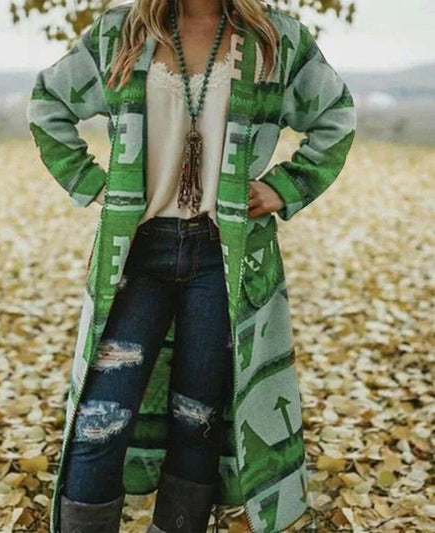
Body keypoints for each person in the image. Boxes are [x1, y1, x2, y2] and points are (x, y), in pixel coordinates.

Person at [26, 0, 356, 531]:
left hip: (223, 258)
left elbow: (336, 116)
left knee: (197, 420)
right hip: (136, 257)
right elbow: (48, 103)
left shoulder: (277, 39)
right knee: (98, 421)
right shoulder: (120, 32)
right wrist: (93, 185)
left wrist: (284, 187)